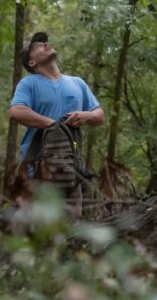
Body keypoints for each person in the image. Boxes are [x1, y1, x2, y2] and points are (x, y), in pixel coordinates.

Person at [8, 31, 104, 211]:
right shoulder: (29, 83)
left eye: (45, 42)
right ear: (32, 62)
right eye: (37, 46)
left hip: (71, 169)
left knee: (71, 227)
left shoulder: (77, 83)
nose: (45, 44)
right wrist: (52, 125)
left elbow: (99, 116)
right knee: (37, 229)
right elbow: (16, 111)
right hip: (36, 169)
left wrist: (86, 116)